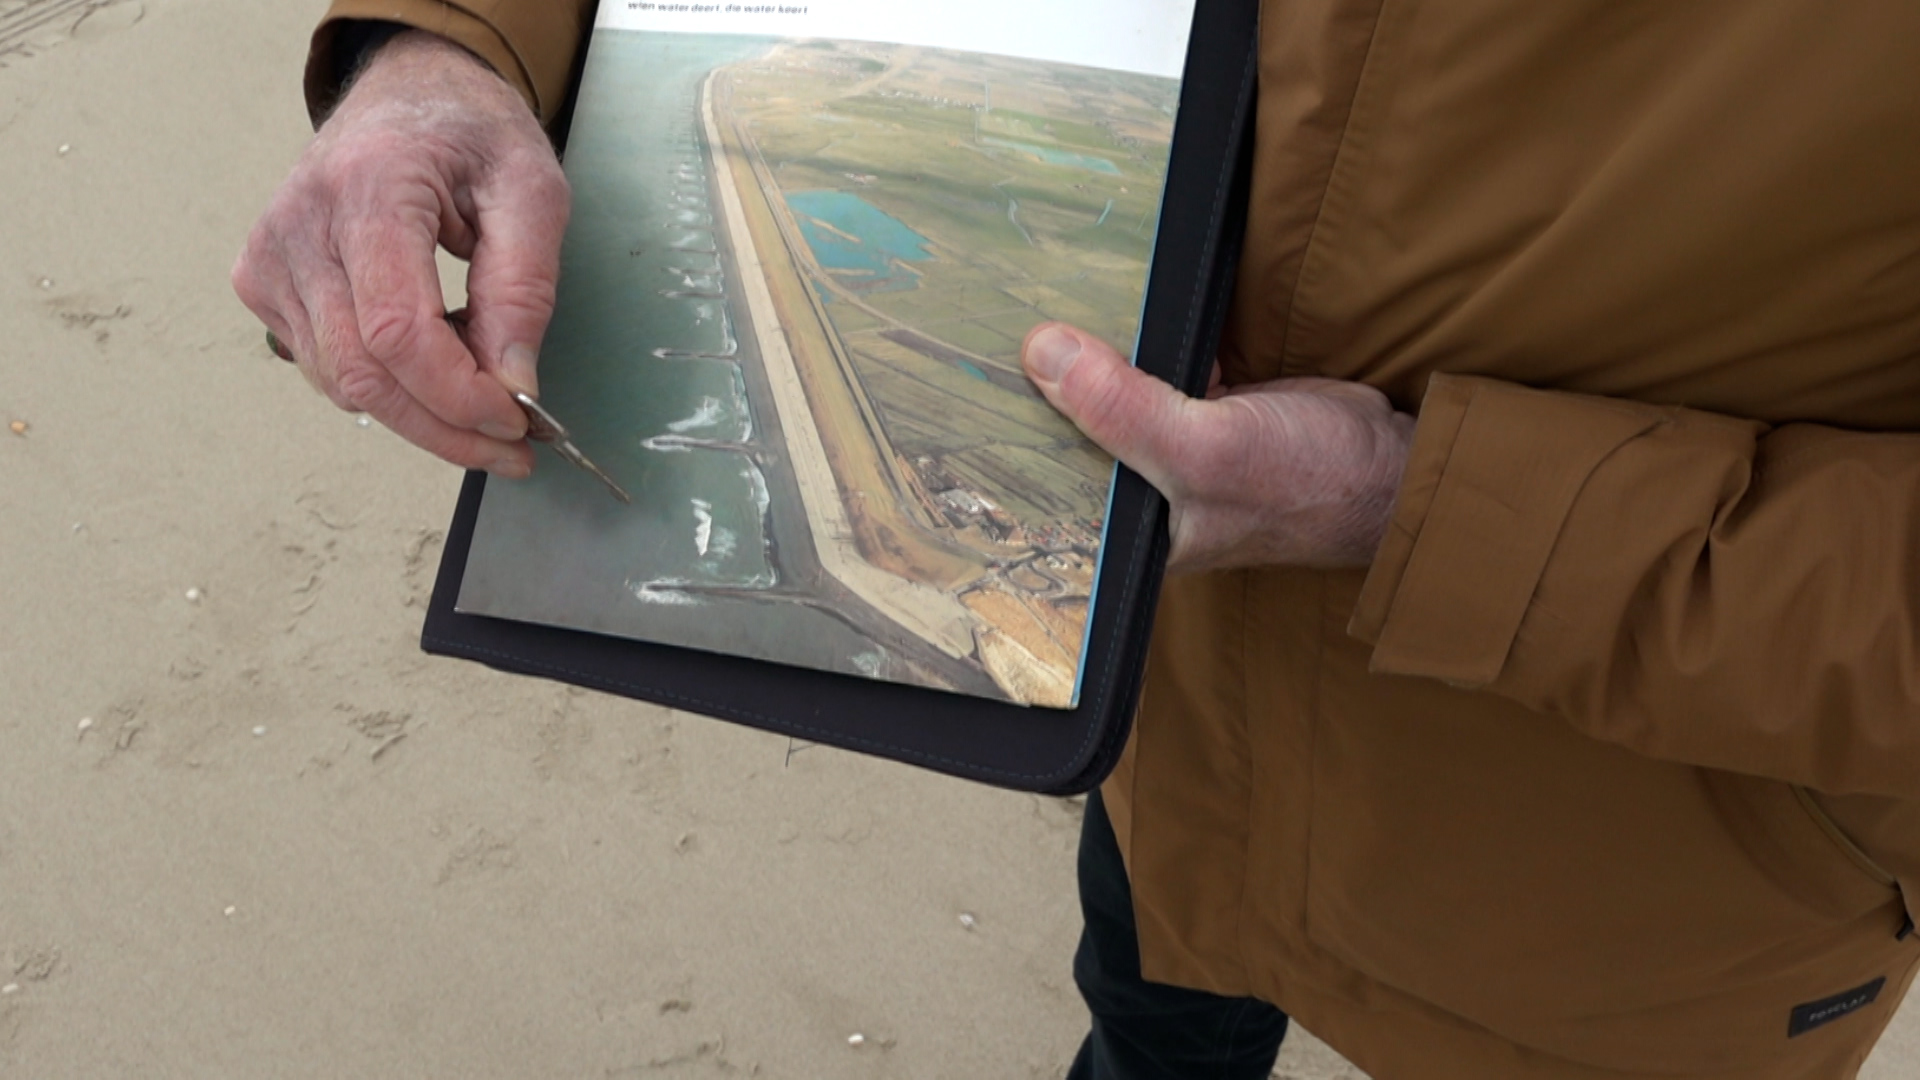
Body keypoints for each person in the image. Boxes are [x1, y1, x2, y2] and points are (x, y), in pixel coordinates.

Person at [234, 4, 1920, 1077]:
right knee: (1157, 1008)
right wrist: (451, 47)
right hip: (1159, 694)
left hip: (1650, 868)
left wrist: (1415, 505)